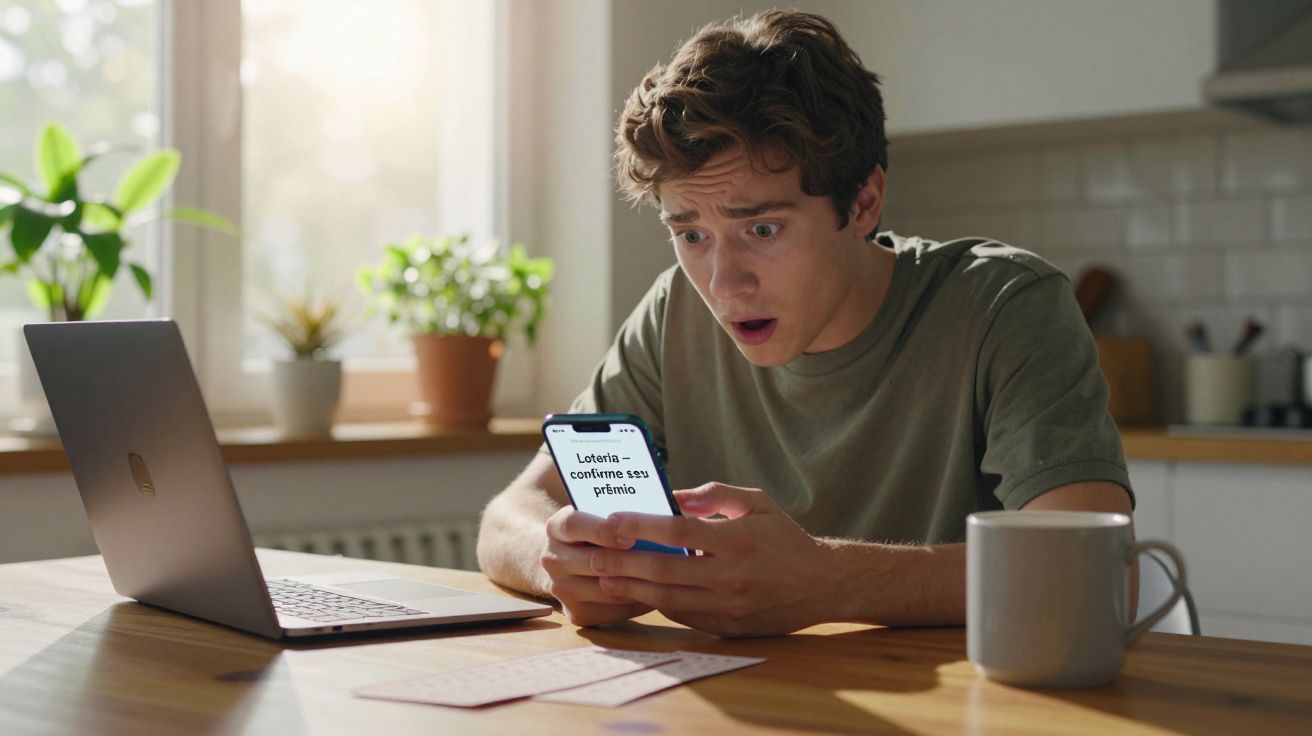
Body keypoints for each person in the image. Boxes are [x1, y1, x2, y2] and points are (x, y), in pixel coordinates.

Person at [476, 9, 1133, 638]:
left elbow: (1097, 574)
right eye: (692, 233)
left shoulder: (1003, 306)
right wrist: (560, 562)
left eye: (762, 229)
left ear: (864, 201)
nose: (723, 283)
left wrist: (830, 581)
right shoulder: (675, 308)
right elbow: (508, 517)